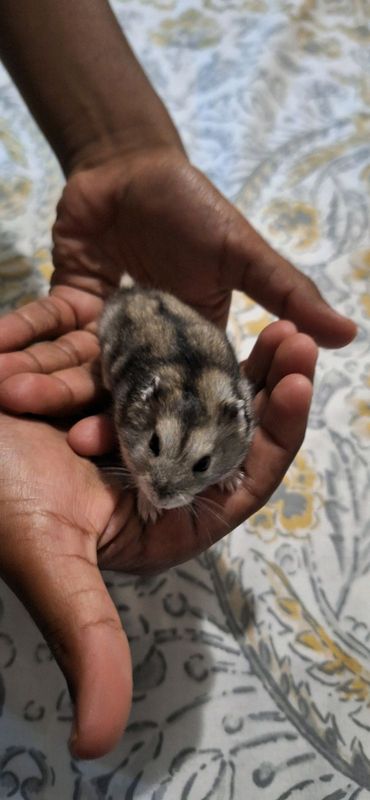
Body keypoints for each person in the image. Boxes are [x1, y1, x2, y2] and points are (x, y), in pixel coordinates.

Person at [0, 2, 356, 759]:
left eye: (197, 468)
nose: (158, 490)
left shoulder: (228, 420)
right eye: (157, 450)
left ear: (233, 436)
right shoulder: (144, 392)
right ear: (144, 407)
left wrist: (121, 148)